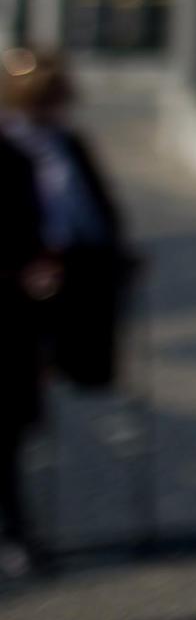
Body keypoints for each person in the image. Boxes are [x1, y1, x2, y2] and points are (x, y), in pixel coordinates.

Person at [0, 47, 134, 576]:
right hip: (11, 305)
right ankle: (13, 528)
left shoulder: (68, 144)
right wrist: (19, 271)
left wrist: (117, 255)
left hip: (74, 288)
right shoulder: (5, 151)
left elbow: (95, 209)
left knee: (41, 403)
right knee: (6, 420)